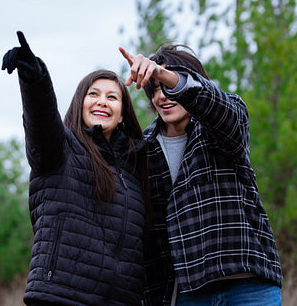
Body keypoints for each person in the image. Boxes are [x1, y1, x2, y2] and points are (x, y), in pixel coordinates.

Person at [119, 44, 283, 306]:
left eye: (168, 85)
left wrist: (166, 75)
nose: (163, 96)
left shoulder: (225, 122)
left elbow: (218, 108)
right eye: (156, 89)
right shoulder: (142, 149)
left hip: (249, 282)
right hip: (188, 291)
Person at [2, 31, 148, 306]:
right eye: (93, 94)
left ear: (122, 114)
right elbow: (41, 120)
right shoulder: (60, 148)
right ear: (80, 104)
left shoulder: (135, 166)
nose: (102, 101)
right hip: (61, 296)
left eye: (112, 97)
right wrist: (35, 80)